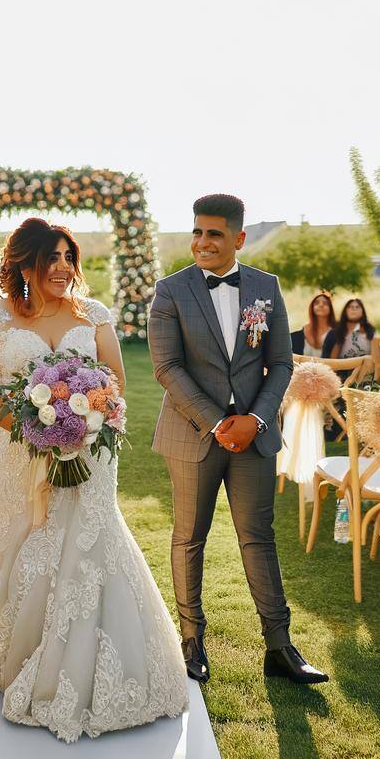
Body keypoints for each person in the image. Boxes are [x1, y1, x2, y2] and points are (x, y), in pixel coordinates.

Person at [0, 216, 189, 744]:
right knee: (30, 533)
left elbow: (115, 382)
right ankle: (19, 650)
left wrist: (85, 421)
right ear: (26, 264)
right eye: (52, 258)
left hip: (91, 447)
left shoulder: (95, 314)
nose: (63, 268)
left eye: (69, 258)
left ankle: (95, 658)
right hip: (18, 451)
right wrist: (32, 427)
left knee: (92, 532)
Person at [147, 194, 325, 687]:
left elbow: (282, 362)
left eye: (215, 234)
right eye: (198, 232)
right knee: (189, 538)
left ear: (238, 239)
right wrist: (217, 422)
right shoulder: (170, 291)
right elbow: (167, 367)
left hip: (254, 437)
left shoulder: (265, 287)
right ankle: (191, 640)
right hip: (193, 435)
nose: (203, 242)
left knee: (259, 539)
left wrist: (256, 420)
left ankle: (280, 646)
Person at [291, 292, 336, 358]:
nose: (321, 305)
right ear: (312, 308)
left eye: (325, 303)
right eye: (317, 303)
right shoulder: (298, 335)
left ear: (330, 309)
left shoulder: (336, 334)